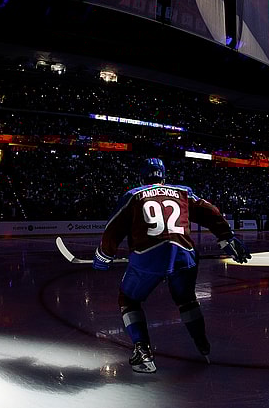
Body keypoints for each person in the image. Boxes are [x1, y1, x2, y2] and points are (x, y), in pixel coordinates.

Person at [93, 158, 251, 373]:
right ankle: (201, 343)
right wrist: (226, 237)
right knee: (186, 300)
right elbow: (210, 211)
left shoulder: (133, 195)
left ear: (142, 176)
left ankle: (144, 353)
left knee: (128, 299)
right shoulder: (182, 192)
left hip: (147, 257)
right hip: (184, 256)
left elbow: (114, 228)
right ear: (164, 175)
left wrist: (104, 255)